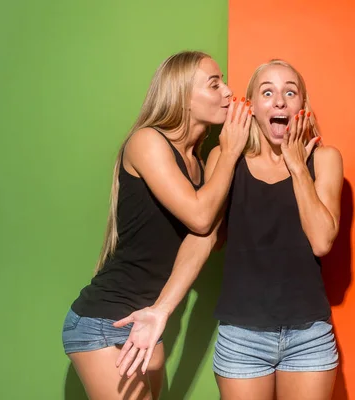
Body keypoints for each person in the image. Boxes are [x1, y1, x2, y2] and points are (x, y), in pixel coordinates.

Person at [117, 59, 343, 400]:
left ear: (302, 106)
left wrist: (296, 165)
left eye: (290, 92)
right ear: (251, 107)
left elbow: (322, 241)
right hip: (242, 339)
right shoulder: (225, 157)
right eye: (267, 92)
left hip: (308, 336)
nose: (279, 101)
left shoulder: (324, 160)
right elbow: (204, 234)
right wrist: (161, 309)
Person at [61, 50, 251, 400]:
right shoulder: (147, 142)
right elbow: (200, 216)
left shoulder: (198, 163)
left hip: (146, 320)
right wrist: (231, 152)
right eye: (214, 84)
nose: (227, 91)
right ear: (183, 96)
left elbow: (209, 238)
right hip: (104, 321)